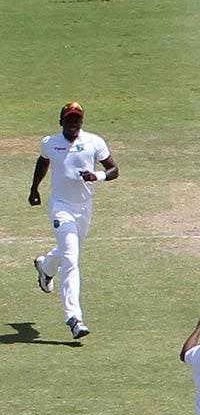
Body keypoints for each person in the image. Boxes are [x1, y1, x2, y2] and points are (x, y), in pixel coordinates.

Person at [28, 100, 117, 340]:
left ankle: (45, 267)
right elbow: (43, 161)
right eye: (69, 118)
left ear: (82, 121)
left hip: (84, 208)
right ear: (61, 121)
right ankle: (74, 318)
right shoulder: (50, 143)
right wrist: (34, 189)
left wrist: (96, 176)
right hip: (61, 208)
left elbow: (113, 170)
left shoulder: (94, 142)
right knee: (71, 260)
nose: (73, 122)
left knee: (69, 250)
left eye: (77, 118)